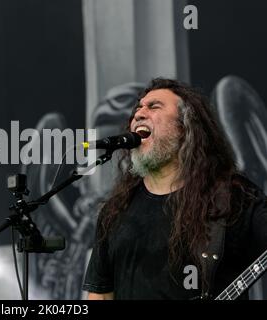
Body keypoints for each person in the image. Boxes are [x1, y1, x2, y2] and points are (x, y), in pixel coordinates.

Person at [82, 78, 267, 300]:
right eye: (138, 109)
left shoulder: (233, 196)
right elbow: (100, 296)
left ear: (185, 127)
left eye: (154, 107)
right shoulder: (114, 212)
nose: (139, 114)